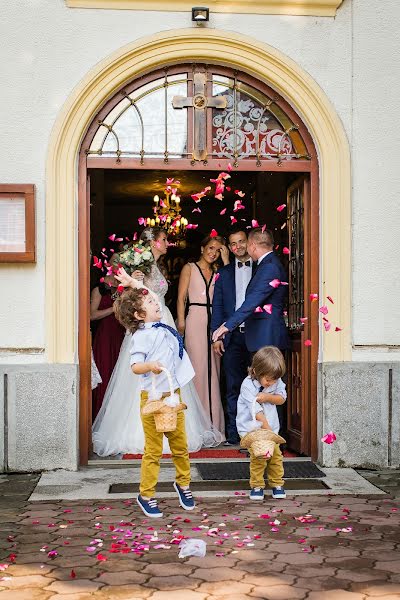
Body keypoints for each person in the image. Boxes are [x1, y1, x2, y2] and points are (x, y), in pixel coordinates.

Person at [92, 227, 224, 456]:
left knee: (168, 372)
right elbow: (134, 297)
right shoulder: (140, 270)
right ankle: (143, 430)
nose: (167, 243)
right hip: (150, 323)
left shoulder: (156, 267)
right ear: (152, 243)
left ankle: (171, 424)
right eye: (164, 239)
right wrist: (135, 283)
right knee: (148, 374)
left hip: (164, 320)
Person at [114, 287, 195, 518]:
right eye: (150, 302)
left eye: (153, 300)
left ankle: (184, 484)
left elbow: (150, 294)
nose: (156, 303)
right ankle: (146, 494)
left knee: (180, 445)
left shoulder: (160, 326)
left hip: (172, 394)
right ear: (140, 315)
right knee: (154, 449)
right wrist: (150, 366)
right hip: (151, 398)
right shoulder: (141, 336)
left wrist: (133, 283)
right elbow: (135, 366)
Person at [177, 234, 229, 435]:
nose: (213, 253)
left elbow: (227, 294)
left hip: (215, 323)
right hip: (195, 320)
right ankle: (195, 426)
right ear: (202, 248)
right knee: (197, 369)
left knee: (214, 372)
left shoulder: (220, 271)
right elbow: (181, 298)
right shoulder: (189, 268)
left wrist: (225, 262)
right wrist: (181, 322)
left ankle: (213, 425)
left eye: (218, 250)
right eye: (210, 248)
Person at [212, 228, 290, 353]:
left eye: (246, 244)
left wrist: (227, 326)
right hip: (260, 336)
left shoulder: (269, 266)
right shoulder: (267, 264)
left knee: (267, 373)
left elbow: (253, 301)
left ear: (252, 246)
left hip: (267, 336)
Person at [211, 226, 254, 445]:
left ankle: (258, 433)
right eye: (233, 244)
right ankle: (233, 434)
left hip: (256, 334)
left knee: (259, 385)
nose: (237, 247)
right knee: (233, 386)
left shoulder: (260, 268)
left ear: (250, 242)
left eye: (241, 242)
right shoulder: (223, 274)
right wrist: (216, 336)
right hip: (232, 337)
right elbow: (217, 306)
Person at [236, 346, 287, 500]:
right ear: (257, 371)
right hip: (254, 430)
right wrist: (269, 432)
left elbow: (282, 398)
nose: (271, 383)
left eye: (274, 380)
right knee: (259, 458)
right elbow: (257, 413)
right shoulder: (247, 385)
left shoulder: (275, 381)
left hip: (271, 429)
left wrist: (268, 397)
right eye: (268, 380)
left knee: (276, 458)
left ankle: (277, 483)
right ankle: (257, 486)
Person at [90, 274, 125, 418]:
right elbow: (91, 315)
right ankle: (101, 415)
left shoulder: (125, 289)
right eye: (114, 263)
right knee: (105, 371)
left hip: (121, 335)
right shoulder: (99, 289)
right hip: (105, 336)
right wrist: (113, 309)